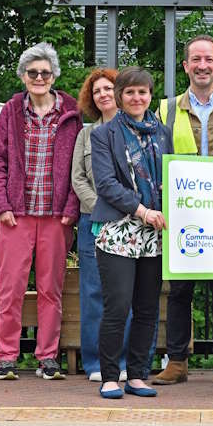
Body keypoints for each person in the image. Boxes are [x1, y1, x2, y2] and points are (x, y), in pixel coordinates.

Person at [153, 34, 213, 387]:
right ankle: (176, 361)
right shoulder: (165, 108)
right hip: (181, 215)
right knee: (180, 290)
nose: (203, 65)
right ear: (186, 65)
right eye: (196, 59)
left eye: (209, 59)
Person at [0, 42, 81, 381]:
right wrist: (1, 206)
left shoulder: (70, 112)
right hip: (17, 214)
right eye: (32, 72)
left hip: (56, 217)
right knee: (10, 288)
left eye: (45, 72)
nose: (39, 77)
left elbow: (77, 166)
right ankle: (7, 357)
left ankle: (47, 358)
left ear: (54, 75)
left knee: (50, 289)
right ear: (23, 77)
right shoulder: (12, 111)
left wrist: (72, 207)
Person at [90, 67, 172, 400]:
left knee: (148, 307)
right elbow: (106, 184)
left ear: (151, 95)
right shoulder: (104, 134)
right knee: (117, 306)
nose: (137, 98)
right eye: (130, 92)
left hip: (154, 232)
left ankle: (137, 375)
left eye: (143, 92)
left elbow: (173, 172)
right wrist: (143, 210)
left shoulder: (163, 132)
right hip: (119, 230)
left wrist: (171, 191)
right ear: (120, 97)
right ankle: (110, 376)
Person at [71, 67, 129, 383]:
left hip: (130, 222)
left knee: (126, 294)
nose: (103, 94)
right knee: (94, 292)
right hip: (93, 221)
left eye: (108, 88)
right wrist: (101, 208)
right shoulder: (85, 134)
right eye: (97, 91)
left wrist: (125, 209)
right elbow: (78, 177)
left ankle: (124, 362)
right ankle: (95, 362)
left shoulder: (133, 130)